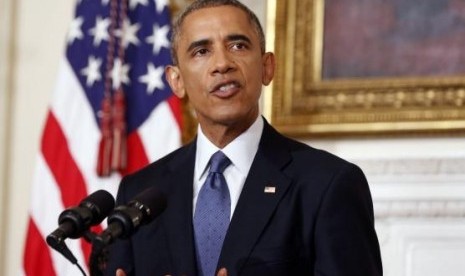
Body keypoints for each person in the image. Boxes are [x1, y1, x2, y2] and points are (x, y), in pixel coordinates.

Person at [105, 0, 383, 275]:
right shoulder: (140, 192)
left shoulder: (327, 185)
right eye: (202, 51)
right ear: (176, 81)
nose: (222, 64)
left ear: (266, 67)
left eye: (238, 46)